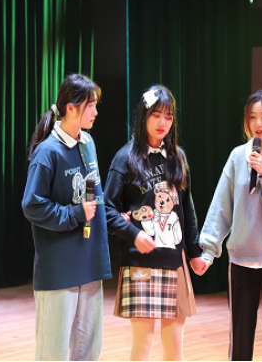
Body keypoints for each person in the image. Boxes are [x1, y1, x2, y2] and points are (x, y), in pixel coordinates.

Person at [198, 87, 262, 361]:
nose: (258, 123)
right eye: (252, 117)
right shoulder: (238, 156)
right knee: (240, 345)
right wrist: (208, 249)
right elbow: (222, 205)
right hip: (241, 259)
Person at [105, 85, 208, 361]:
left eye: (168, 116)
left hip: (174, 261)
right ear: (144, 116)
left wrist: (195, 252)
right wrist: (133, 234)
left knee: (175, 348)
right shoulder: (125, 158)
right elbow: (107, 209)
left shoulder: (178, 157)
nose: (163, 123)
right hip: (140, 264)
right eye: (156, 115)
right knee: (142, 346)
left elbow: (187, 209)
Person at [22, 74, 112, 361]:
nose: (96, 112)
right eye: (90, 105)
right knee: (53, 352)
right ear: (71, 108)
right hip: (59, 268)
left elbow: (94, 195)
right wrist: (74, 214)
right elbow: (32, 205)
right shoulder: (47, 152)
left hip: (90, 261)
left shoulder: (88, 143)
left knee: (89, 350)